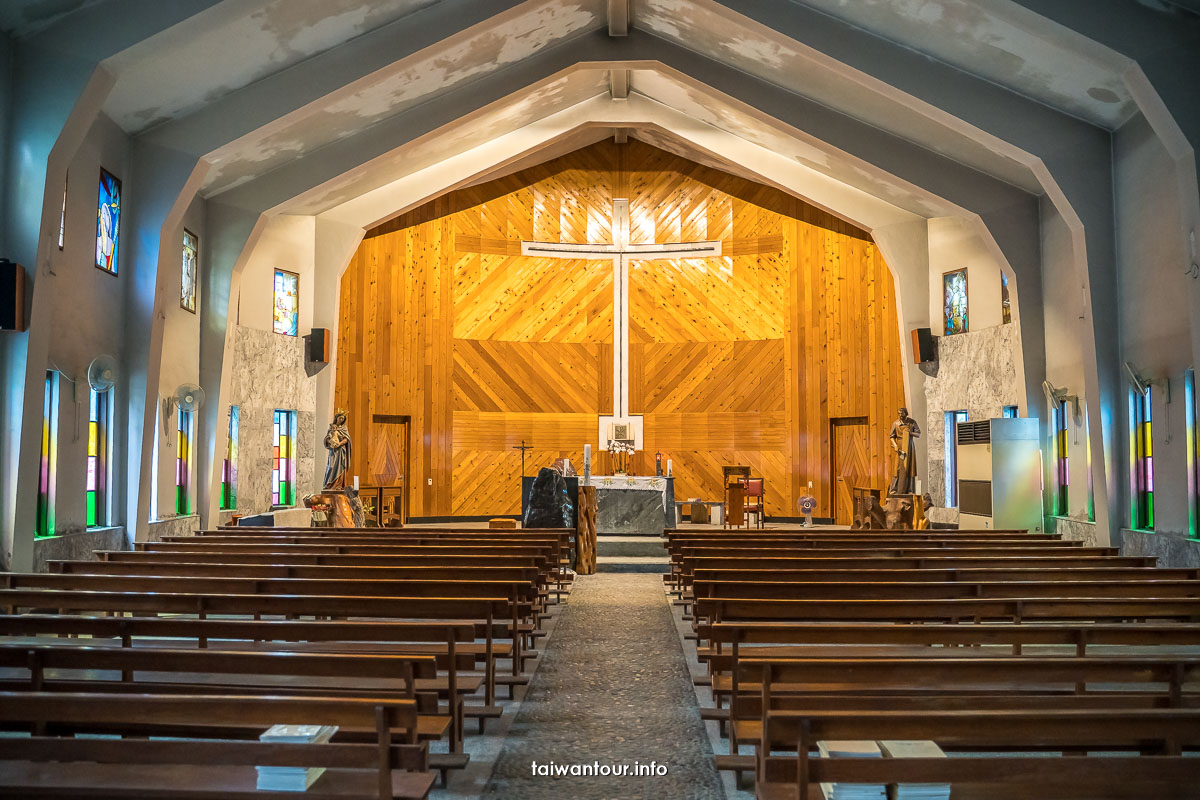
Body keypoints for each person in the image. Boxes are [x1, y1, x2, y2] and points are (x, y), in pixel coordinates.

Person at [888, 407, 921, 495]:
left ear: (906, 414)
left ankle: (909, 489)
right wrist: (895, 446)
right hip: (899, 446)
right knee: (898, 467)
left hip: (909, 447)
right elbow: (891, 436)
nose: (900, 416)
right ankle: (893, 489)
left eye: (902, 415)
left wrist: (910, 433)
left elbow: (918, 434)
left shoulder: (912, 422)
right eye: (899, 414)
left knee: (910, 467)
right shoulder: (896, 423)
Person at [323, 410, 352, 490]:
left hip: (341, 452)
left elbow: (347, 439)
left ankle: (338, 485)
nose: (341, 420)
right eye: (340, 418)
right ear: (337, 418)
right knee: (331, 466)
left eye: (343, 419)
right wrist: (330, 441)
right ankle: (329, 485)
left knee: (340, 467)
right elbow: (327, 438)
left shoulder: (344, 429)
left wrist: (340, 443)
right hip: (333, 451)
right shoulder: (332, 427)